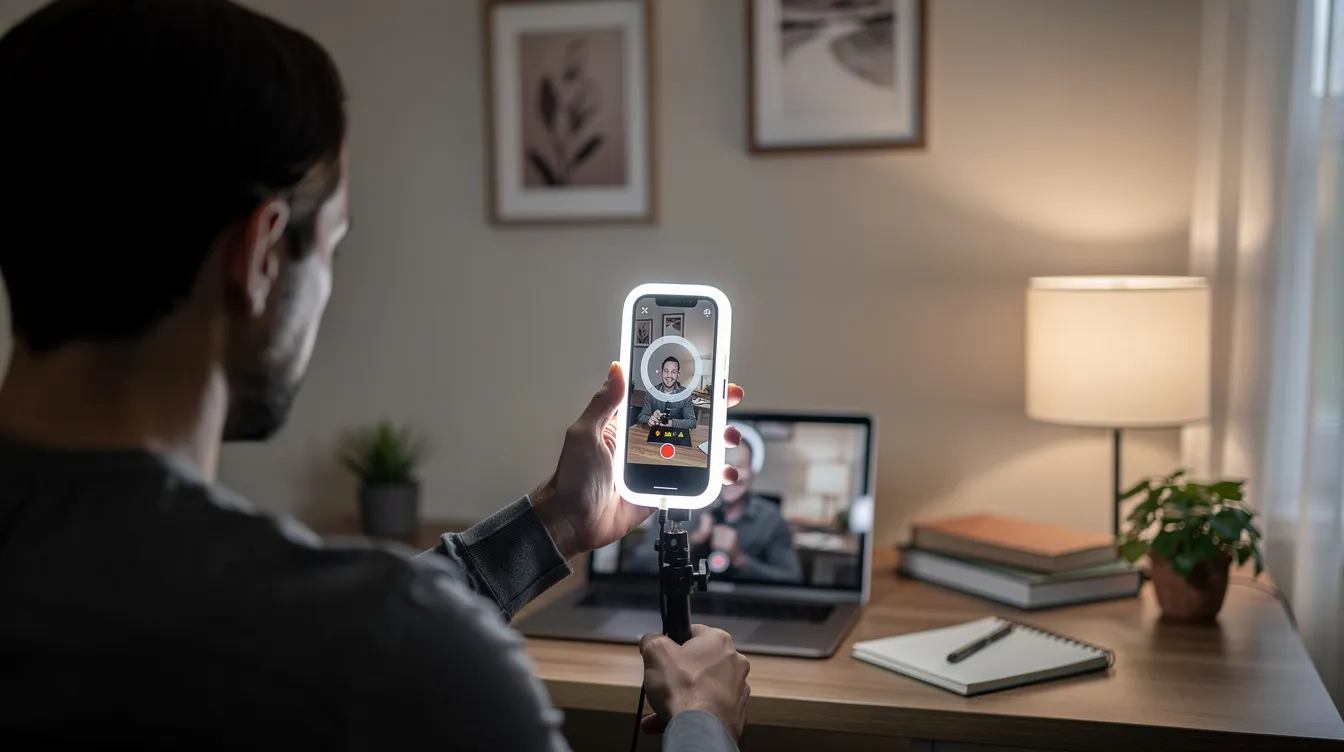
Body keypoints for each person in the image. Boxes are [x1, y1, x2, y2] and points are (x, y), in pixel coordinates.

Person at [0, 1, 751, 749]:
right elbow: (364, 639)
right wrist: (699, 726)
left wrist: (557, 517)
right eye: (333, 245)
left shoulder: (352, 639)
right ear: (259, 255)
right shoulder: (402, 664)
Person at [629, 433, 803, 583]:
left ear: (752, 473)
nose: (731, 475)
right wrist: (691, 541)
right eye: (723, 464)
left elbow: (792, 578)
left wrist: (740, 560)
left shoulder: (771, 518)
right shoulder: (675, 508)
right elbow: (638, 566)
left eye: (740, 466)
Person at [638, 356, 697, 430]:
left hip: (677, 437)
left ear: (678, 374)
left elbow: (692, 422)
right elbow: (641, 418)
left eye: (673, 372)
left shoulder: (685, 395)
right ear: (661, 372)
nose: (669, 376)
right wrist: (650, 419)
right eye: (666, 371)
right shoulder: (651, 393)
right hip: (656, 435)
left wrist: (672, 423)